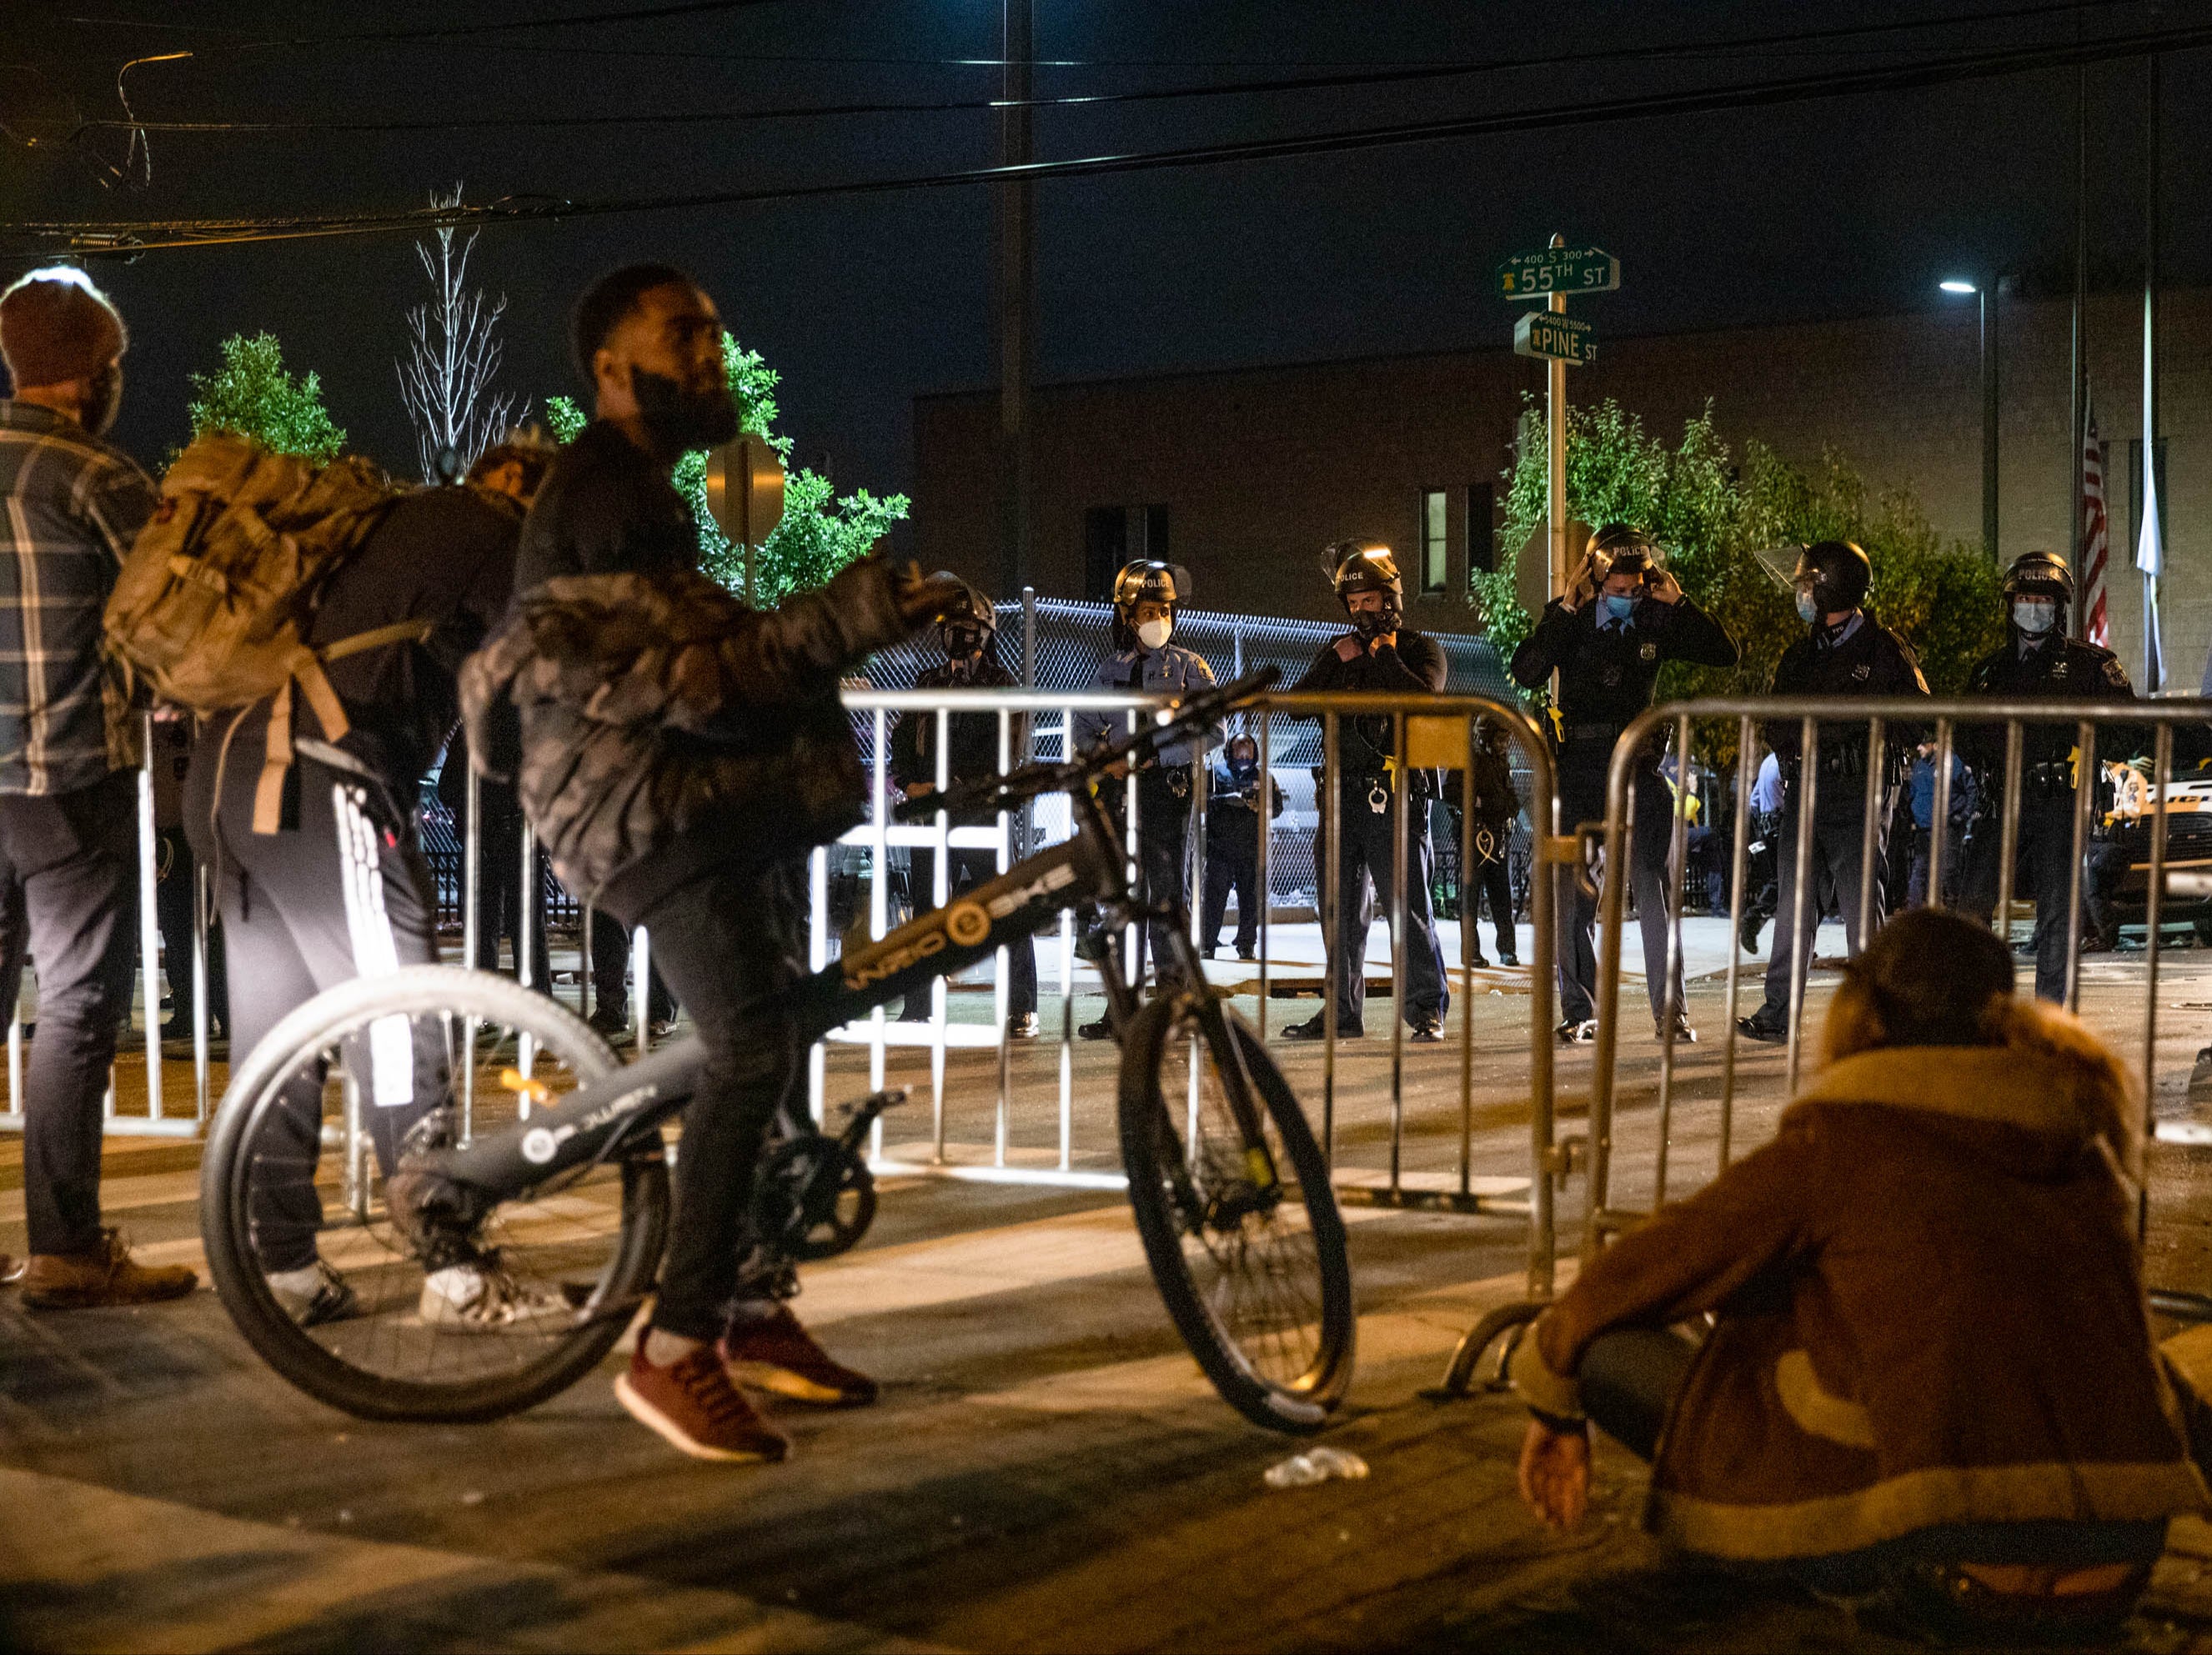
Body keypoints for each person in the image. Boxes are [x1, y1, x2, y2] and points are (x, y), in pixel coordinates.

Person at [494, 262, 964, 1462]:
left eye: (714, 328)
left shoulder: (641, 487)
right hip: (636, 812)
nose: (711, 351)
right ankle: (674, 1344)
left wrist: (853, 621)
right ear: (611, 366)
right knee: (752, 1043)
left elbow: (714, 661)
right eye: (683, 334)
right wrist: (847, 618)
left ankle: (751, 1306)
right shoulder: (602, 490)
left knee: (780, 1025)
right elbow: (698, 682)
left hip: (682, 800)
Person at [1512, 908, 2204, 1643]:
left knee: (1602, 1347)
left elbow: (1647, 1267)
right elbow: (2129, 1355)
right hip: (2114, 1577)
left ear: (1866, 1015)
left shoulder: (1845, 1136)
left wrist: (1554, 1404)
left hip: (1949, 1580)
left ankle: (1772, 1556)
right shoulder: (2079, 1146)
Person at [185, 478, 526, 1327]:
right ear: (522, 483)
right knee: (400, 1010)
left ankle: (285, 1264)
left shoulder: (386, 523)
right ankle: (454, 1270)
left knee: (281, 1037)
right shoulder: (490, 526)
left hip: (228, 783)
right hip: (315, 776)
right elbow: (546, 658)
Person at [0, 269, 193, 1310]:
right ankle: (68, 1247)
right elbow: (170, 618)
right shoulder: (97, 475)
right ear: (89, 377)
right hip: (67, 774)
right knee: (75, 1005)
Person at [1510, 524, 1737, 1046]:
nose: (1628, 597)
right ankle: (1579, 1011)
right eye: (1617, 588)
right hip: (1581, 770)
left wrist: (1680, 605)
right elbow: (1527, 670)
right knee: (1574, 897)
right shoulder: (1569, 619)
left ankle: (1671, 1013)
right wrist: (1564, 612)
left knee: (1653, 889)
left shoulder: (1656, 615)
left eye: (1636, 587)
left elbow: (1725, 653)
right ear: (1594, 578)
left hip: (1638, 769)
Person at [1738, 541, 1928, 1044]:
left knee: (1863, 911)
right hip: (1806, 791)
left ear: (1833, 588)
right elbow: (1776, 720)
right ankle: (1779, 1013)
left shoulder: (1883, 649)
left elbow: (1921, 717)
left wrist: (1867, 738)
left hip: (1859, 791)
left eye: (1807, 585)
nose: (1800, 594)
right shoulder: (1802, 653)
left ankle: (1880, 1019)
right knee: (1794, 908)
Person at [1282, 541, 1455, 1043]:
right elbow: (1297, 707)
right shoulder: (1340, 652)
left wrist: (1381, 652)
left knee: (1410, 908)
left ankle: (1426, 1009)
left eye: (1370, 602)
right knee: (1339, 912)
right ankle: (1340, 1013)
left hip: (1396, 795)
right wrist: (1335, 659)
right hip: (1340, 798)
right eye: (1353, 604)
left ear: (1391, 599)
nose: (1361, 612)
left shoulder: (1421, 650)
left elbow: (1420, 699)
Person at [1960, 550, 2135, 1002]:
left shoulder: (2090, 666)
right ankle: (1975, 1010)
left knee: (2057, 913)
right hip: (2000, 803)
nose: (2033, 607)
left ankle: (2050, 1019)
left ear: (2059, 607)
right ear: (2011, 603)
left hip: (2059, 802)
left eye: (2043, 599)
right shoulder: (1988, 672)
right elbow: (1965, 736)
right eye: (2025, 598)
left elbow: (2128, 729)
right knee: (1971, 908)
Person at [1072, 559, 1218, 1040]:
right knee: (1121, 898)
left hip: (1166, 791)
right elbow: (1084, 726)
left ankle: (1175, 1002)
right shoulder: (1109, 670)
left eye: (1165, 609)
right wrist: (1104, 759)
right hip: (1119, 793)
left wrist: (1157, 757)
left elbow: (1212, 729)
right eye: (1148, 609)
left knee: (1168, 895)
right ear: (1128, 615)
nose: (1158, 618)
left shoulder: (1191, 667)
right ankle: (1123, 1006)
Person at [888, 577, 1038, 1037]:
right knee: (927, 911)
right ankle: (919, 1007)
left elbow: (1003, 754)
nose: (958, 635)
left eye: (967, 627)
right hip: (930, 812)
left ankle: (1022, 1007)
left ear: (985, 634)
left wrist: (956, 786)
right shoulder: (927, 682)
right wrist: (910, 782)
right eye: (950, 626)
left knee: (1006, 907)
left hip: (981, 813)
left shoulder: (1001, 685)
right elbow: (903, 741)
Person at [1198, 732, 1283, 961]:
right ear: (1229, 751)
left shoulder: (1264, 777)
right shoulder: (1215, 774)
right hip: (1220, 848)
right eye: (1239, 747)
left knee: (1251, 899)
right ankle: (1207, 944)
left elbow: (1277, 808)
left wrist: (1258, 804)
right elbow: (1202, 801)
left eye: (1248, 747)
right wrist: (1225, 800)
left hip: (1251, 849)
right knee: (1214, 899)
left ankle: (1247, 944)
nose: (1244, 752)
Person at [1464, 717, 1521, 969]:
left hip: (1497, 836)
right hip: (1475, 836)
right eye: (1500, 739)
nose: (1504, 745)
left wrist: (1503, 808)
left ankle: (1507, 950)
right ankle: (1471, 952)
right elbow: (1457, 793)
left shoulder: (1500, 762)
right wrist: (1483, 806)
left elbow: (1511, 801)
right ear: (1487, 737)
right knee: (1471, 897)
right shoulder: (1471, 759)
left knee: (1502, 897)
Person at [1903, 739, 1973, 909]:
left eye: (1923, 744)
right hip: (1924, 829)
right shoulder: (1919, 766)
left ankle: (1954, 908)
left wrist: (1961, 816)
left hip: (1947, 827)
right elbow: (1912, 793)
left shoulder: (1954, 763)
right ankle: (1915, 915)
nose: (1918, 747)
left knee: (1948, 870)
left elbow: (1971, 791)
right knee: (1919, 871)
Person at [1737, 750, 1783, 955]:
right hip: (1780, 824)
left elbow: (1753, 801)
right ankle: (1753, 920)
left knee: (1780, 881)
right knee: (1783, 883)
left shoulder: (1767, 763)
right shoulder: (1782, 765)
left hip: (1766, 826)